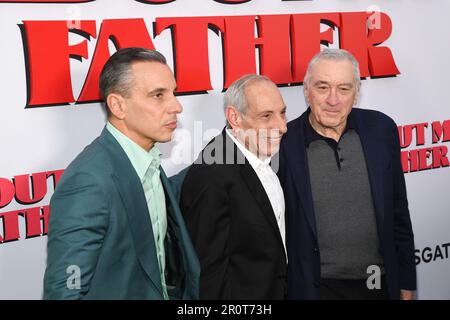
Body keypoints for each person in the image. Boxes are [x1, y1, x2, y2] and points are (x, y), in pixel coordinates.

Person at [43, 47, 200, 300]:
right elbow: (65, 290)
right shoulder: (88, 182)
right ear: (117, 105)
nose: (177, 106)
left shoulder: (144, 158)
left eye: (174, 92)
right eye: (158, 95)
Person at [278, 48, 416, 300]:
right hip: (317, 290)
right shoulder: (283, 142)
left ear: (357, 93)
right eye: (322, 87)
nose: (334, 100)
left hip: (379, 284)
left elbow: (398, 212)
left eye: (344, 89)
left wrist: (406, 283)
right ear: (306, 90)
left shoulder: (382, 129)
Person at [179, 74, 288, 299]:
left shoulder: (266, 155)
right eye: (266, 116)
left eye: (282, 113)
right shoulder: (211, 175)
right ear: (234, 118)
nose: (282, 126)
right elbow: (207, 276)